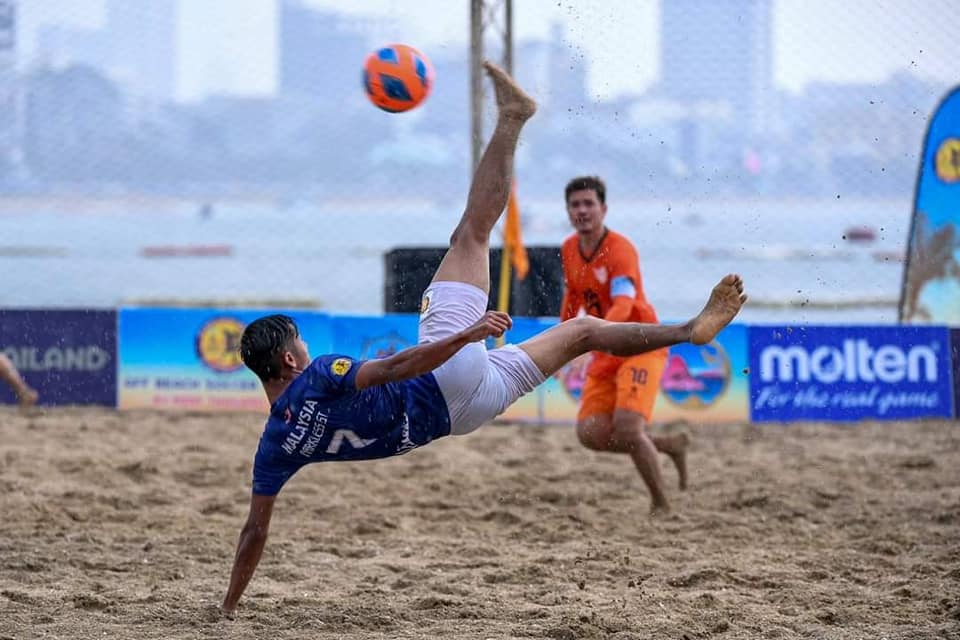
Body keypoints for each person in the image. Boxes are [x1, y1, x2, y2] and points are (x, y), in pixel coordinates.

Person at [220, 61, 747, 617]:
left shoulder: (272, 448)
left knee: (584, 331)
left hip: (461, 417)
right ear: (287, 358)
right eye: (299, 345)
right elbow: (400, 366)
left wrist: (229, 606)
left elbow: (254, 532)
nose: (306, 351)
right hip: (446, 377)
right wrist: (469, 333)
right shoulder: (320, 375)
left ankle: (690, 330)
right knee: (471, 232)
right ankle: (515, 119)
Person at [560, 175, 689, 514]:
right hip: (605, 344)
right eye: (575, 205)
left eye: (589, 204)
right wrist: (562, 344)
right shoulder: (569, 249)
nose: (582, 210)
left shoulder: (620, 249)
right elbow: (572, 300)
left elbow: (624, 305)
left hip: (640, 342)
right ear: (568, 211)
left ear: (603, 208)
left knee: (629, 428)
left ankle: (662, 505)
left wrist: (588, 343)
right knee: (589, 433)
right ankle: (668, 445)